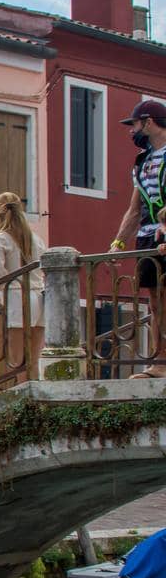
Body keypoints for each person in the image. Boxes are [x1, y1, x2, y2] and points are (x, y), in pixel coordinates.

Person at [110, 99, 166, 378]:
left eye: (134, 124)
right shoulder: (141, 163)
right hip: (147, 236)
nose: (132, 131)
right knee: (155, 302)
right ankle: (161, 362)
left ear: (149, 121)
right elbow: (135, 208)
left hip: (164, 233)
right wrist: (119, 242)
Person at [0, 191, 47, 378]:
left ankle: (22, 402)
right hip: (39, 298)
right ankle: (35, 402)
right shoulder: (36, 238)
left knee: (17, 360)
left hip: (17, 298)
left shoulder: (0, 238)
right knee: (33, 359)